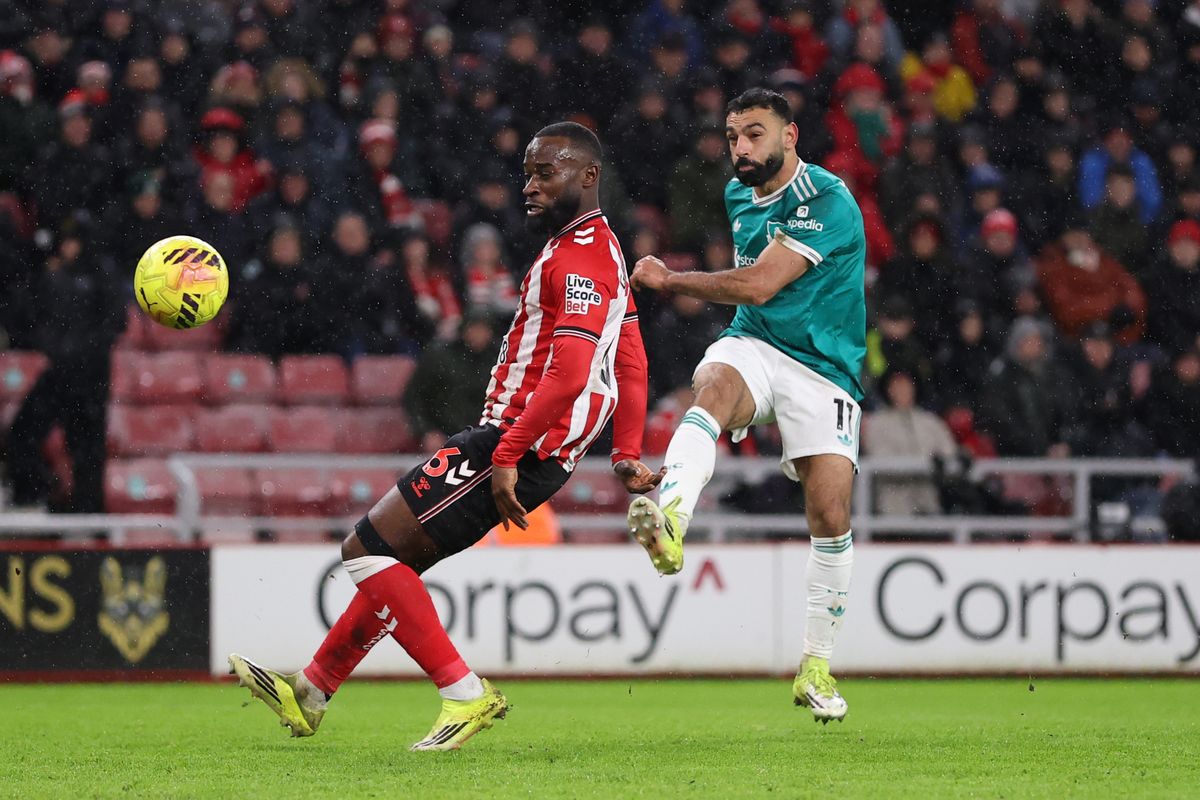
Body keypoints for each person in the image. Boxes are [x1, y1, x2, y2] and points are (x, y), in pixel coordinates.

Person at [228, 122, 661, 751]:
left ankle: (464, 692)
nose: (530, 185)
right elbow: (632, 360)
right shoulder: (606, 251)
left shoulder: (578, 258)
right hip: (534, 447)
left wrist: (507, 452)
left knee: (364, 551)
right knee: (393, 563)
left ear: (590, 176)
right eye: (528, 173)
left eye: (547, 173)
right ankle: (311, 689)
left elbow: (570, 374)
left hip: (516, 442)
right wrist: (624, 453)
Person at [627, 88, 866, 722]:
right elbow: (754, 303)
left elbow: (760, 283)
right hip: (756, 344)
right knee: (712, 388)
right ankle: (671, 517)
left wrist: (671, 279)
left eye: (755, 134)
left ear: (790, 136)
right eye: (734, 136)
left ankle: (816, 665)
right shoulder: (738, 193)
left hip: (824, 368)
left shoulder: (828, 200)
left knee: (830, 512)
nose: (741, 147)